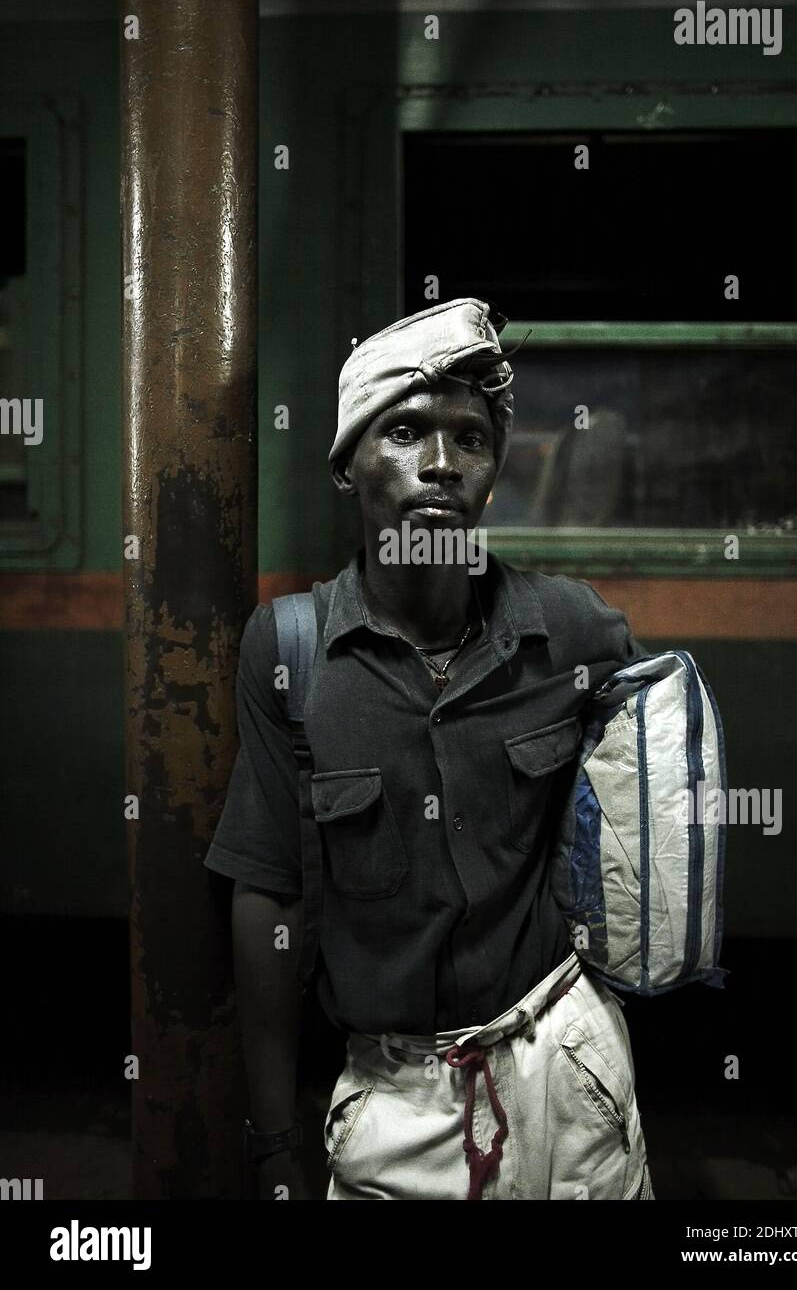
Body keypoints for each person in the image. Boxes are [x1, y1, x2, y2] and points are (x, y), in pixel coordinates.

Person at [204, 298, 655, 1200]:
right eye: (405, 431)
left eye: (471, 438)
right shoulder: (290, 652)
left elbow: (657, 777)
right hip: (395, 1097)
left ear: (493, 470)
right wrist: (271, 1138)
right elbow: (266, 892)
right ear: (348, 463)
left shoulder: (567, 629)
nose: (441, 465)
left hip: (566, 1067)